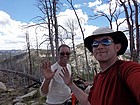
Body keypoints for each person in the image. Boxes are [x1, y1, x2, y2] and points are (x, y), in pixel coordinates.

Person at [60, 27, 140, 105]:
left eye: (106, 41)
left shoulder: (127, 69)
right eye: (95, 43)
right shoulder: (98, 78)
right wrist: (70, 84)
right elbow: (89, 102)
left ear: (117, 47)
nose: (100, 47)